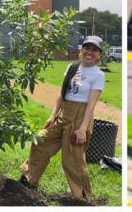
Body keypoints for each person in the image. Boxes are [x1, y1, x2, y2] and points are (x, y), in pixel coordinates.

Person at [20, 36, 105, 202]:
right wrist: (53, 115)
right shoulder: (72, 67)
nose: (90, 52)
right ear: (82, 50)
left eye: (94, 50)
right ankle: (30, 180)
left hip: (80, 118)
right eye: (87, 48)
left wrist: (82, 128)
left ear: (99, 54)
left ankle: (82, 197)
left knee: (72, 160)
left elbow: (91, 105)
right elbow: (62, 93)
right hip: (63, 115)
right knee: (40, 142)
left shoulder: (98, 75)